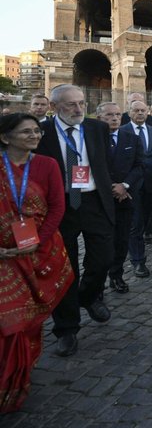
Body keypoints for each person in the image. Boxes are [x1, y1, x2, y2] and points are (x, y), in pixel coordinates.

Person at [35, 84, 115, 357]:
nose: (79, 109)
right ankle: (66, 329)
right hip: (60, 206)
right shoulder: (42, 132)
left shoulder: (97, 128)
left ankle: (88, 296)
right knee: (64, 267)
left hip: (93, 201)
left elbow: (104, 163)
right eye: (71, 104)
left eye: (81, 103)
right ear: (54, 107)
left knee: (103, 258)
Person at [0, 114, 73, 413]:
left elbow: (57, 207)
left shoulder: (47, 164)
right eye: (25, 132)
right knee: (9, 320)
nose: (34, 136)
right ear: (5, 137)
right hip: (3, 258)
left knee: (27, 322)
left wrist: (37, 242)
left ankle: (20, 375)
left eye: (36, 131)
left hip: (39, 253)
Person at [96, 102, 143, 294]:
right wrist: (111, 187)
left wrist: (125, 185)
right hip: (100, 199)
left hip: (125, 197)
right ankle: (97, 283)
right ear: (99, 118)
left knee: (122, 240)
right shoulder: (92, 140)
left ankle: (116, 275)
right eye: (109, 115)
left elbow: (139, 166)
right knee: (100, 243)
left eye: (117, 114)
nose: (114, 118)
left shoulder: (131, 138)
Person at [121, 100, 152, 267]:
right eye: (136, 110)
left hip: (151, 185)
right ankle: (138, 260)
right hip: (130, 186)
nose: (140, 113)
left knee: (144, 219)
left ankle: (138, 244)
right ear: (129, 113)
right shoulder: (122, 132)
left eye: (143, 110)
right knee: (135, 224)